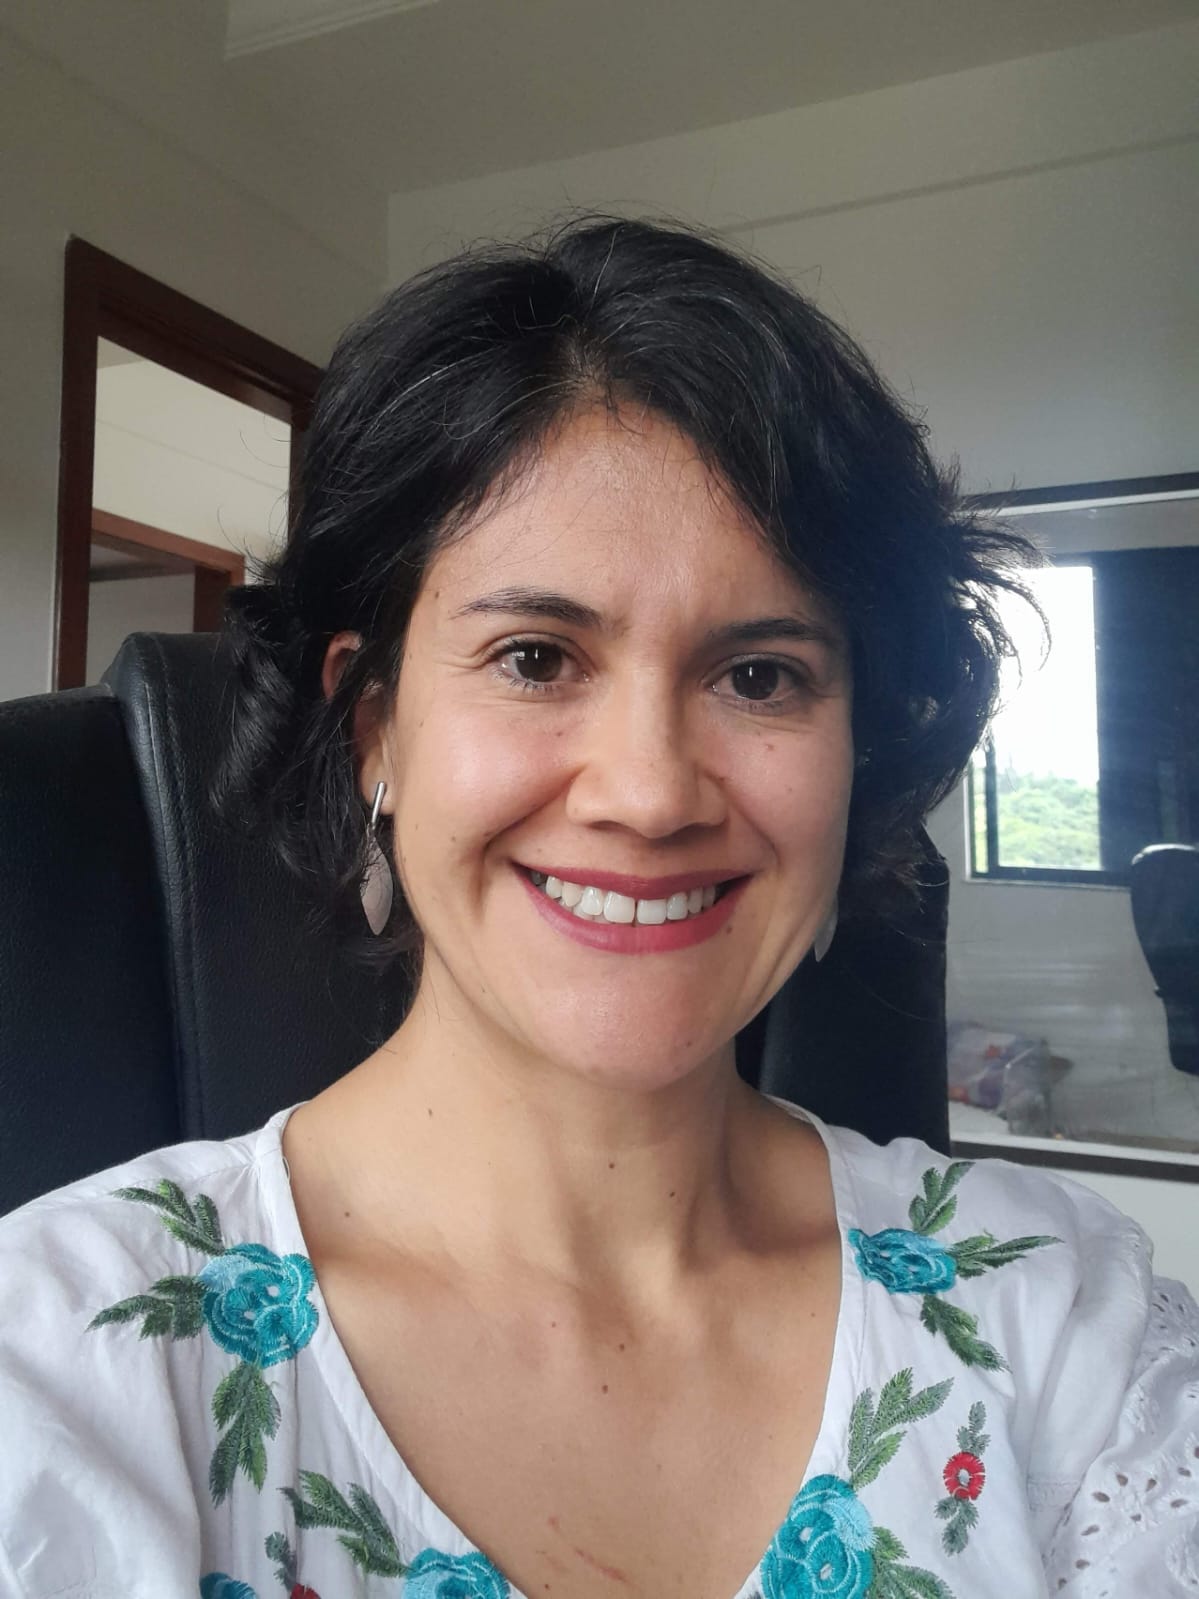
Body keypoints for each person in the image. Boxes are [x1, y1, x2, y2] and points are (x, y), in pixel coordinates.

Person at [0, 219, 1195, 1599]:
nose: (649, 793)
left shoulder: (1064, 1336)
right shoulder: (63, 1368)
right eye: (534, 656)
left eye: (759, 676)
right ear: (376, 729)